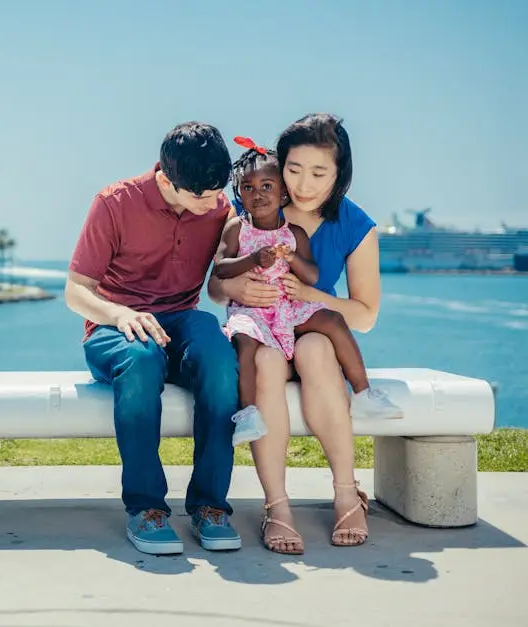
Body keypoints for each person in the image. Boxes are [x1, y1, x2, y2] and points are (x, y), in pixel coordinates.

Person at [207, 113, 387, 554]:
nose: (305, 184)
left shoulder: (355, 223)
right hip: (262, 336)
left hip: (308, 328)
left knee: (316, 349)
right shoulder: (255, 203)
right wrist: (236, 286)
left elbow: (364, 316)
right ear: (278, 167)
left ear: (339, 174)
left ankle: (347, 492)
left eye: (320, 172)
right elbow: (215, 285)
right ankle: (278, 506)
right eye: (294, 169)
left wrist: (309, 292)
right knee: (266, 359)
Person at [65, 121, 242, 556]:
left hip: (183, 318)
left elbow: (221, 284)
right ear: (166, 177)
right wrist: (122, 314)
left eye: (216, 192)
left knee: (220, 358)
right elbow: (76, 291)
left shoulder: (219, 208)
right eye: (200, 195)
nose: (211, 203)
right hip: (113, 326)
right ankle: (146, 509)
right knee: (143, 361)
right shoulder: (114, 203)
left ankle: (210, 506)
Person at [214, 136, 403, 447]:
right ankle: (247, 414)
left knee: (330, 321)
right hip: (255, 315)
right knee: (245, 345)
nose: (258, 195)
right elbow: (219, 272)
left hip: (290, 310)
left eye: (266, 187)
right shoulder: (238, 223)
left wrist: (294, 265)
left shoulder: (298, 232)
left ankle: (363, 392)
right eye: (248, 188)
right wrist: (245, 270)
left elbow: (315, 277)